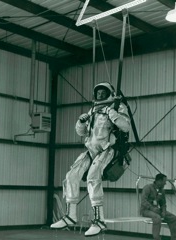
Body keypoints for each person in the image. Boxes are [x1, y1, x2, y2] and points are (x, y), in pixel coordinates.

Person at [50, 82, 131, 237]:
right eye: (98, 92)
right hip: (91, 150)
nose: (100, 95)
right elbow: (82, 133)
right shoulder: (93, 109)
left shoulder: (117, 108)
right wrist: (80, 122)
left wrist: (111, 113)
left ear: (109, 93)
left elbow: (125, 126)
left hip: (107, 149)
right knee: (71, 176)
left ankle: (99, 220)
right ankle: (70, 216)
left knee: (93, 178)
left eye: (103, 92)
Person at [140, 173, 176, 240]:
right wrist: (152, 208)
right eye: (164, 181)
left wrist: (163, 211)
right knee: (157, 218)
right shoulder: (147, 188)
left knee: (174, 218)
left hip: (156, 210)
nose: (165, 183)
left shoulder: (162, 191)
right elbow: (143, 201)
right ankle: (157, 238)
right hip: (146, 210)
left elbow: (163, 204)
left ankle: (175, 238)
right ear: (159, 181)